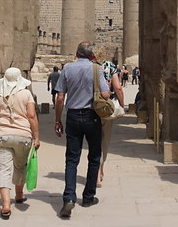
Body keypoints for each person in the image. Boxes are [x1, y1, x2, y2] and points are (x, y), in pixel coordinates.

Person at [54, 41, 110, 218]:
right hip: (91, 116)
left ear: (76, 54)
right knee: (94, 157)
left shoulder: (67, 69)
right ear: (91, 55)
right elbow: (106, 94)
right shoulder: (96, 69)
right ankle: (88, 197)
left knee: (71, 159)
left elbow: (60, 97)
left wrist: (57, 120)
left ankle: (69, 198)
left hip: (72, 116)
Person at [0, 67, 40, 220]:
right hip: (23, 136)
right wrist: (36, 137)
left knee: (3, 170)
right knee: (20, 166)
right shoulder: (26, 94)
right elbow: (31, 116)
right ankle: (19, 195)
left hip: (3, 136)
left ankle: (5, 204)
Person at [94, 53, 126, 188]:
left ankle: (97, 171)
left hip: (91, 107)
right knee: (104, 141)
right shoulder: (110, 67)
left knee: (94, 142)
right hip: (106, 107)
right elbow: (118, 87)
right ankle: (99, 172)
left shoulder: (90, 67)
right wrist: (122, 105)